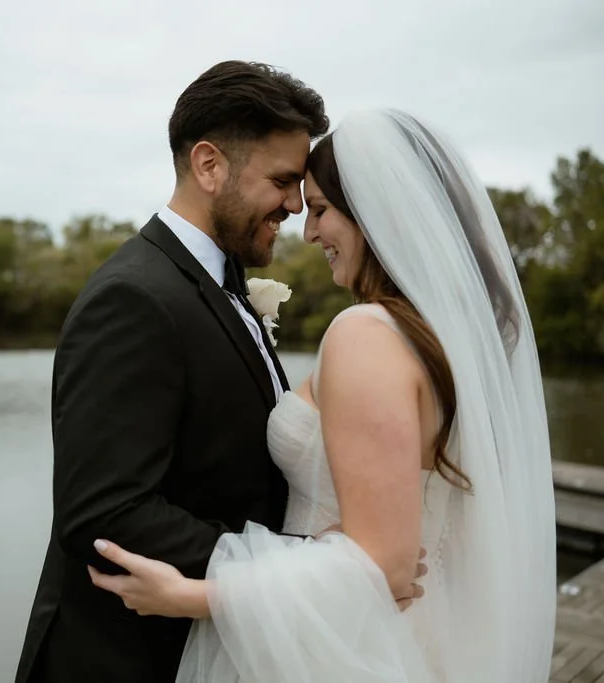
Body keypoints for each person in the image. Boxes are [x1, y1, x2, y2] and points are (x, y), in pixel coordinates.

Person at [88, 109, 558, 682]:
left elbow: (381, 568)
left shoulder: (366, 334)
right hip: (406, 634)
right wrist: (311, 548)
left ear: (378, 216)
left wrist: (195, 596)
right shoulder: (450, 342)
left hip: (342, 647)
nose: (308, 231)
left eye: (321, 210)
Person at [13, 61, 427, 683]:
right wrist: (302, 565)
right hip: (126, 657)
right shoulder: (133, 296)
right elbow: (104, 509)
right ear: (209, 166)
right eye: (283, 181)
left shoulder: (223, 282)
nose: (296, 205)